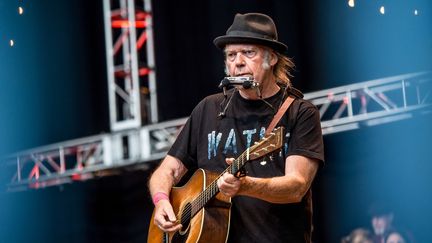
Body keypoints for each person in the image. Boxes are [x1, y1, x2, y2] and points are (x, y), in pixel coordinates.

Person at [148, 12, 324, 243]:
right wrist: (161, 200)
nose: (238, 62)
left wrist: (246, 186)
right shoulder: (208, 109)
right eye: (231, 55)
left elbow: (297, 187)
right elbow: (167, 170)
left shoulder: (298, 113)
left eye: (248, 53)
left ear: (271, 58)